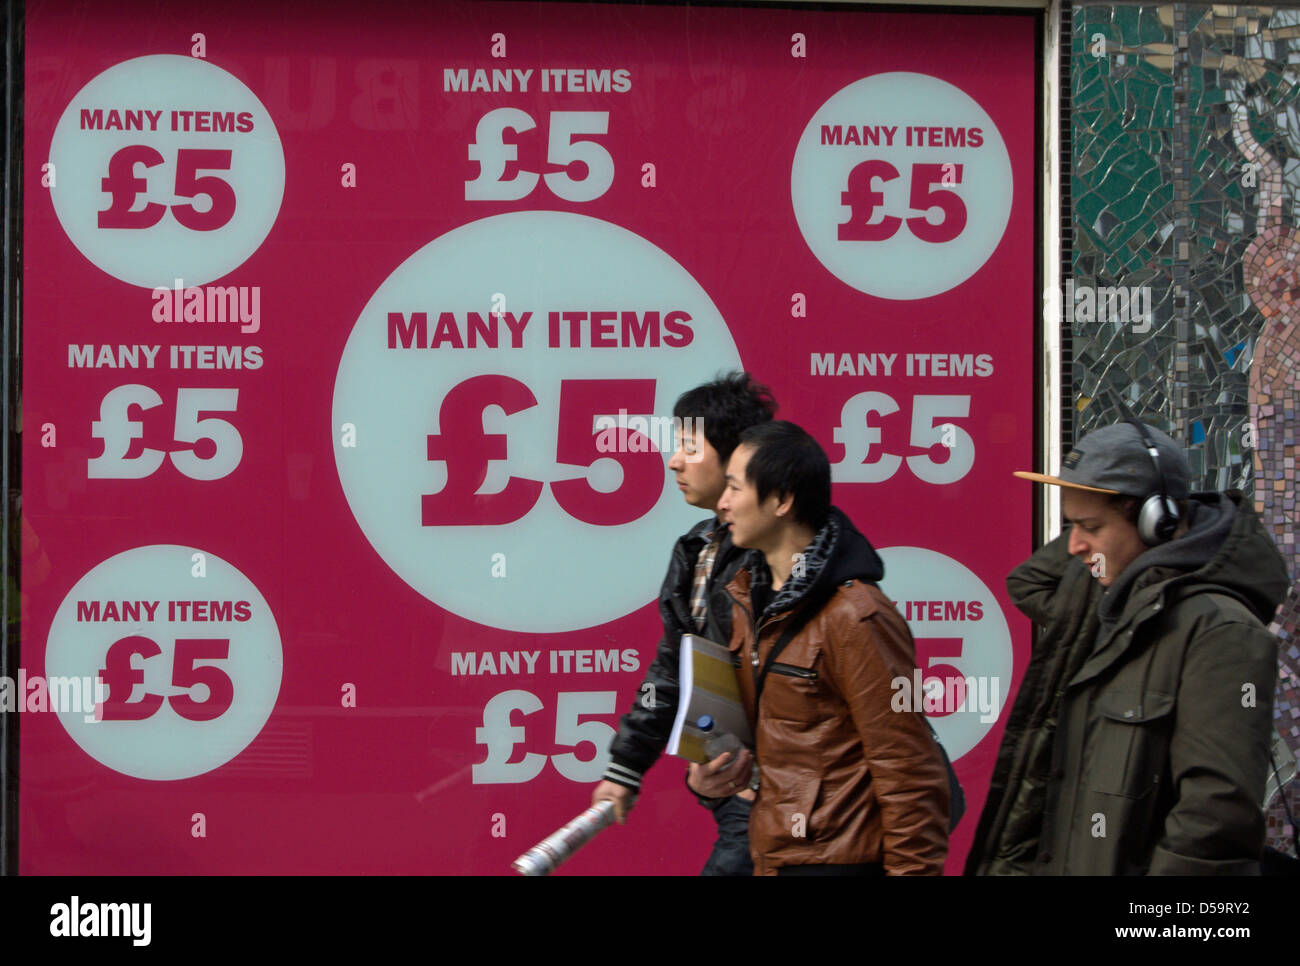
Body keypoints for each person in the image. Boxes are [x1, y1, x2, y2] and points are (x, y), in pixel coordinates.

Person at [966, 420, 1287, 875]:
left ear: (1158, 524)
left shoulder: (1220, 632)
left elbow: (1214, 823)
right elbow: (1028, 582)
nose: (1073, 545)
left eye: (1090, 527)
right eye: (1069, 525)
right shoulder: (1100, 599)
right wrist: (1100, 547)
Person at [694, 420, 949, 875]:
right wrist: (709, 780)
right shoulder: (745, 600)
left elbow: (909, 769)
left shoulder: (857, 615)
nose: (723, 502)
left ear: (782, 499)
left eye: (734, 487)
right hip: (775, 855)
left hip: (841, 861)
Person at [591, 371, 776, 875]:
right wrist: (625, 768)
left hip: (802, 803)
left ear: (739, 458)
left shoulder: (788, 555)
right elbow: (673, 666)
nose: (674, 460)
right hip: (743, 793)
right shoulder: (698, 548)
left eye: (690, 447)